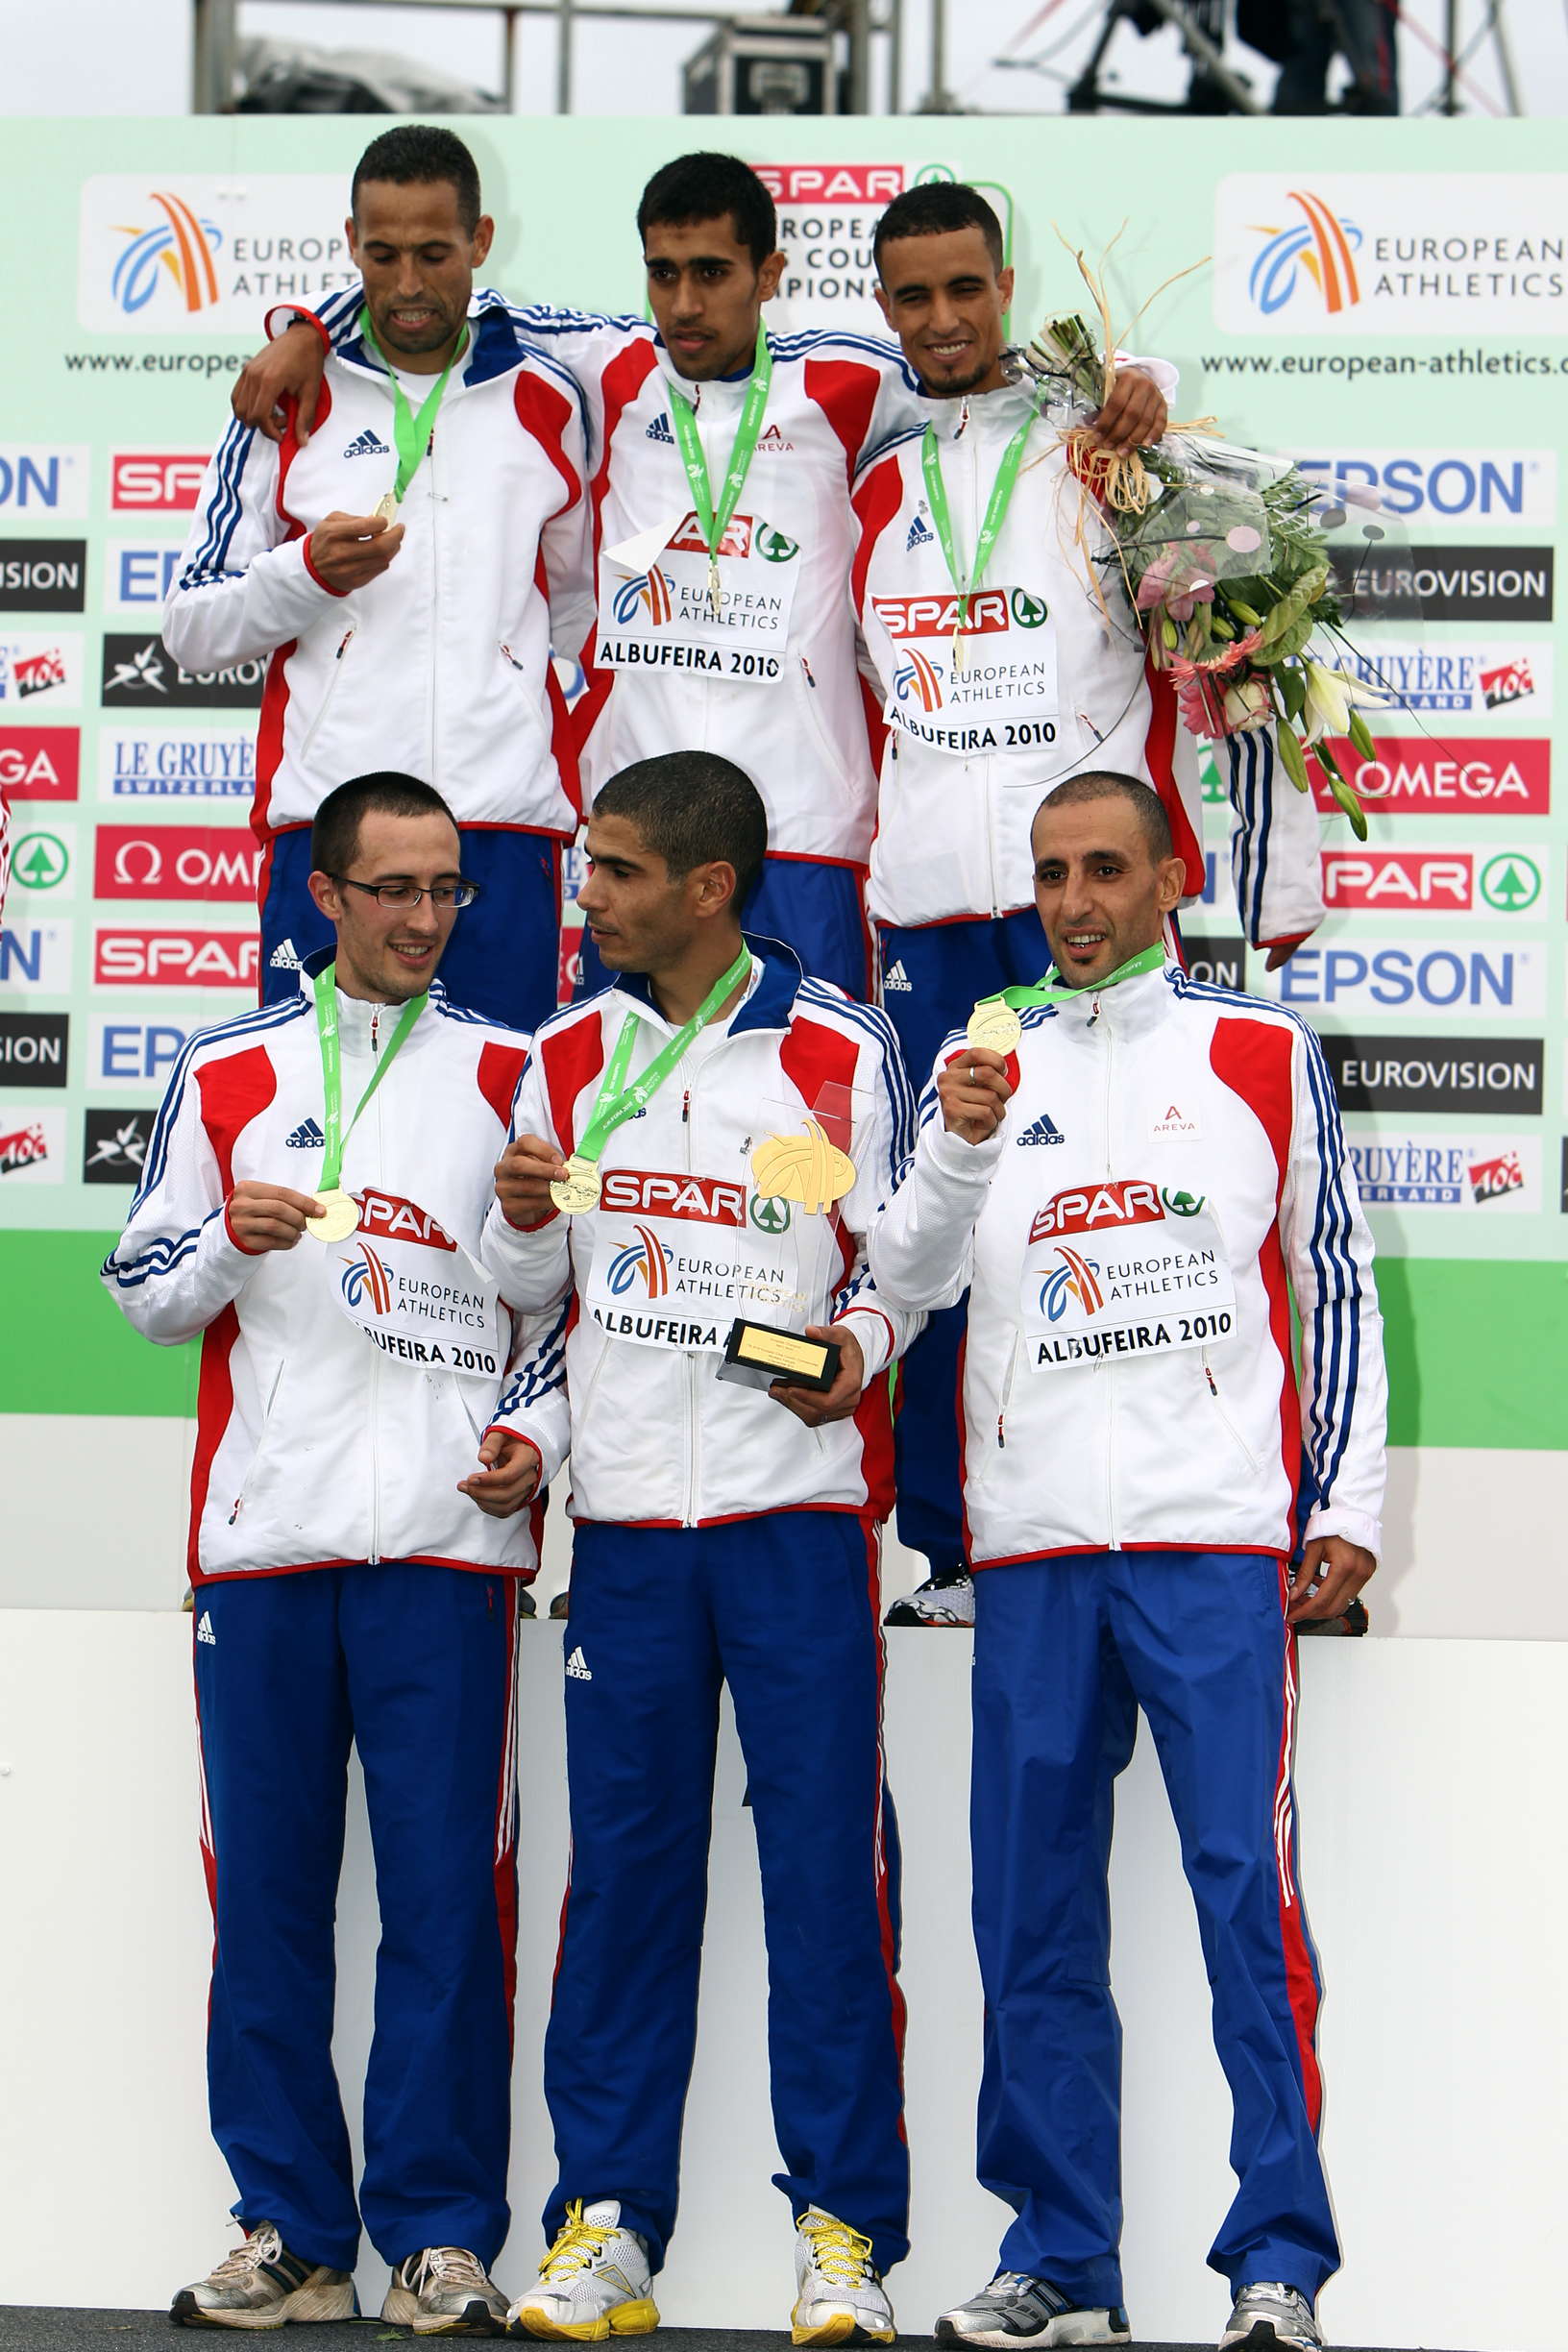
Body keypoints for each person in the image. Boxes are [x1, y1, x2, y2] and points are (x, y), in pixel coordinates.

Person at [867, 770, 1384, 2352]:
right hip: (1032, 1550)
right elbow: (902, 1273)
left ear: (1169, 881)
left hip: (1210, 1541)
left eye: (1104, 869)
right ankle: (1059, 2258)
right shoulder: (981, 1055)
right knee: (1028, 1918)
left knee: (1244, 1903)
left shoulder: (1260, 1051)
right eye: (1050, 875)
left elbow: (1333, 1281)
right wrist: (957, 1150)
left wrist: (1344, 1499)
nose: (1074, 903)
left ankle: (1276, 2262)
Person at [229, 151, 1166, 1005]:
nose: (684, 303)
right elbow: (437, 298)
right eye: (664, 273)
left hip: (801, 832)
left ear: (769, 274)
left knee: (815, 1105)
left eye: (712, 273)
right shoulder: (605, 367)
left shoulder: (845, 380)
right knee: (630, 1101)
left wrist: (1137, 377)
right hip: (641, 834)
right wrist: (309, 328)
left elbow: (979, 368)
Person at [102, 772, 568, 2337]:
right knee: (267, 1906)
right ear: (324, 894)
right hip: (267, 1546)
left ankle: (439, 2234)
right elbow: (143, 1287)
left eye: (448, 888)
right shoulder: (227, 1067)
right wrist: (224, 1240)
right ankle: (290, 2230)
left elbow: (559, 1300)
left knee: (449, 1903)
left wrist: (534, 1440)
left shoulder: (514, 1069)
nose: (426, 918)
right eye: (394, 889)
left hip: (447, 1546)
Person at [478, 750, 920, 2341]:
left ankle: (843, 2238)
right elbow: (538, 1295)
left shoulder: (834, 1049)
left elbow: (893, 1264)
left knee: (824, 1883)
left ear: (707, 887)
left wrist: (855, 1349)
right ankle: (604, 2225)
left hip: (792, 1524)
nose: (585, 894)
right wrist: (524, 1225)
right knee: (621, 1886)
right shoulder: (568, 1048)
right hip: (629, 1544)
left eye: (614, 870)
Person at [851, 179, 1325, 1627]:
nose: (943, 319)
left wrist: (1146, 391)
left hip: (1085, 908)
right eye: (914, 296)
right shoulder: (868, 480)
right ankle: (951, 1549)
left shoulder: (1108, 455)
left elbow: (1242, 637)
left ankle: (1220, 1520)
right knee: (940, 1226)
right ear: (885, 308)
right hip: (932, 920)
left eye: (966, 288)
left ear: (1008, 286)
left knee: (1141, 1219)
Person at [164, 125, 593, 1030]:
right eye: (382, 254)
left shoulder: (552, 395)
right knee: (317, 1101)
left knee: (499, 1103)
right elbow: (190, 629)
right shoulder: (290, 398)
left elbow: (578, 614)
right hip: (335, 830)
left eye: (434, 254)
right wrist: (304, 575)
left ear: (480, 242)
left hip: (499, 829)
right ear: (350, 243)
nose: (406, 285)